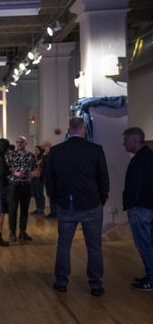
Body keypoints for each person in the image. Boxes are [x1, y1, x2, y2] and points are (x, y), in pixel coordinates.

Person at [45, 117, 109, 296]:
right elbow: (103, 177)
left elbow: (49, 180)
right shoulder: (95, 150)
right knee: (94, 246)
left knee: (64, 245)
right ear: (84, 130)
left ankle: (61, 281)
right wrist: (102, 198)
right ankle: (95, 284)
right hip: (91, 204)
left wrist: (55, 199)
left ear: (68, 130)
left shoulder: (56, 151)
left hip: (66, 204)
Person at [122, 127, 153, 291]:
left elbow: (134, 186)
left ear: (134, 140)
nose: (123, 143)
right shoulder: (150, 156)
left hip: (140, 209)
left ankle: (151, 278)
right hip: (149, 206)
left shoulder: (138, 161)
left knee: (144, 244)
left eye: (125, 140)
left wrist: (131, 205)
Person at [6, 136, 36, 242]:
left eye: (22, 142)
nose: (19, 144)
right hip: (14, 184)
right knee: (13, 209)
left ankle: (23, 231)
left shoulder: (31, 156)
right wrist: (15, 173)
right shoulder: (10, 155)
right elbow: (6, 168)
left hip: (26, 184)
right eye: (18, 142)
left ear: (25, 143)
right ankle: (12, 232)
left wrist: (32, 174)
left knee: (24, 210)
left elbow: (34, 168)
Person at [30, 145, 46, 215]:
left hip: (39, 177)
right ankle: (37, 208)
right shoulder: (34, 158)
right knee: (35, 193)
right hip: (33, 177)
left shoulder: (42, 159)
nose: (35, 151)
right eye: (35, 150)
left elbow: (41, 168)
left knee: (40, 193)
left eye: (37, 150)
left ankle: (41, 209)